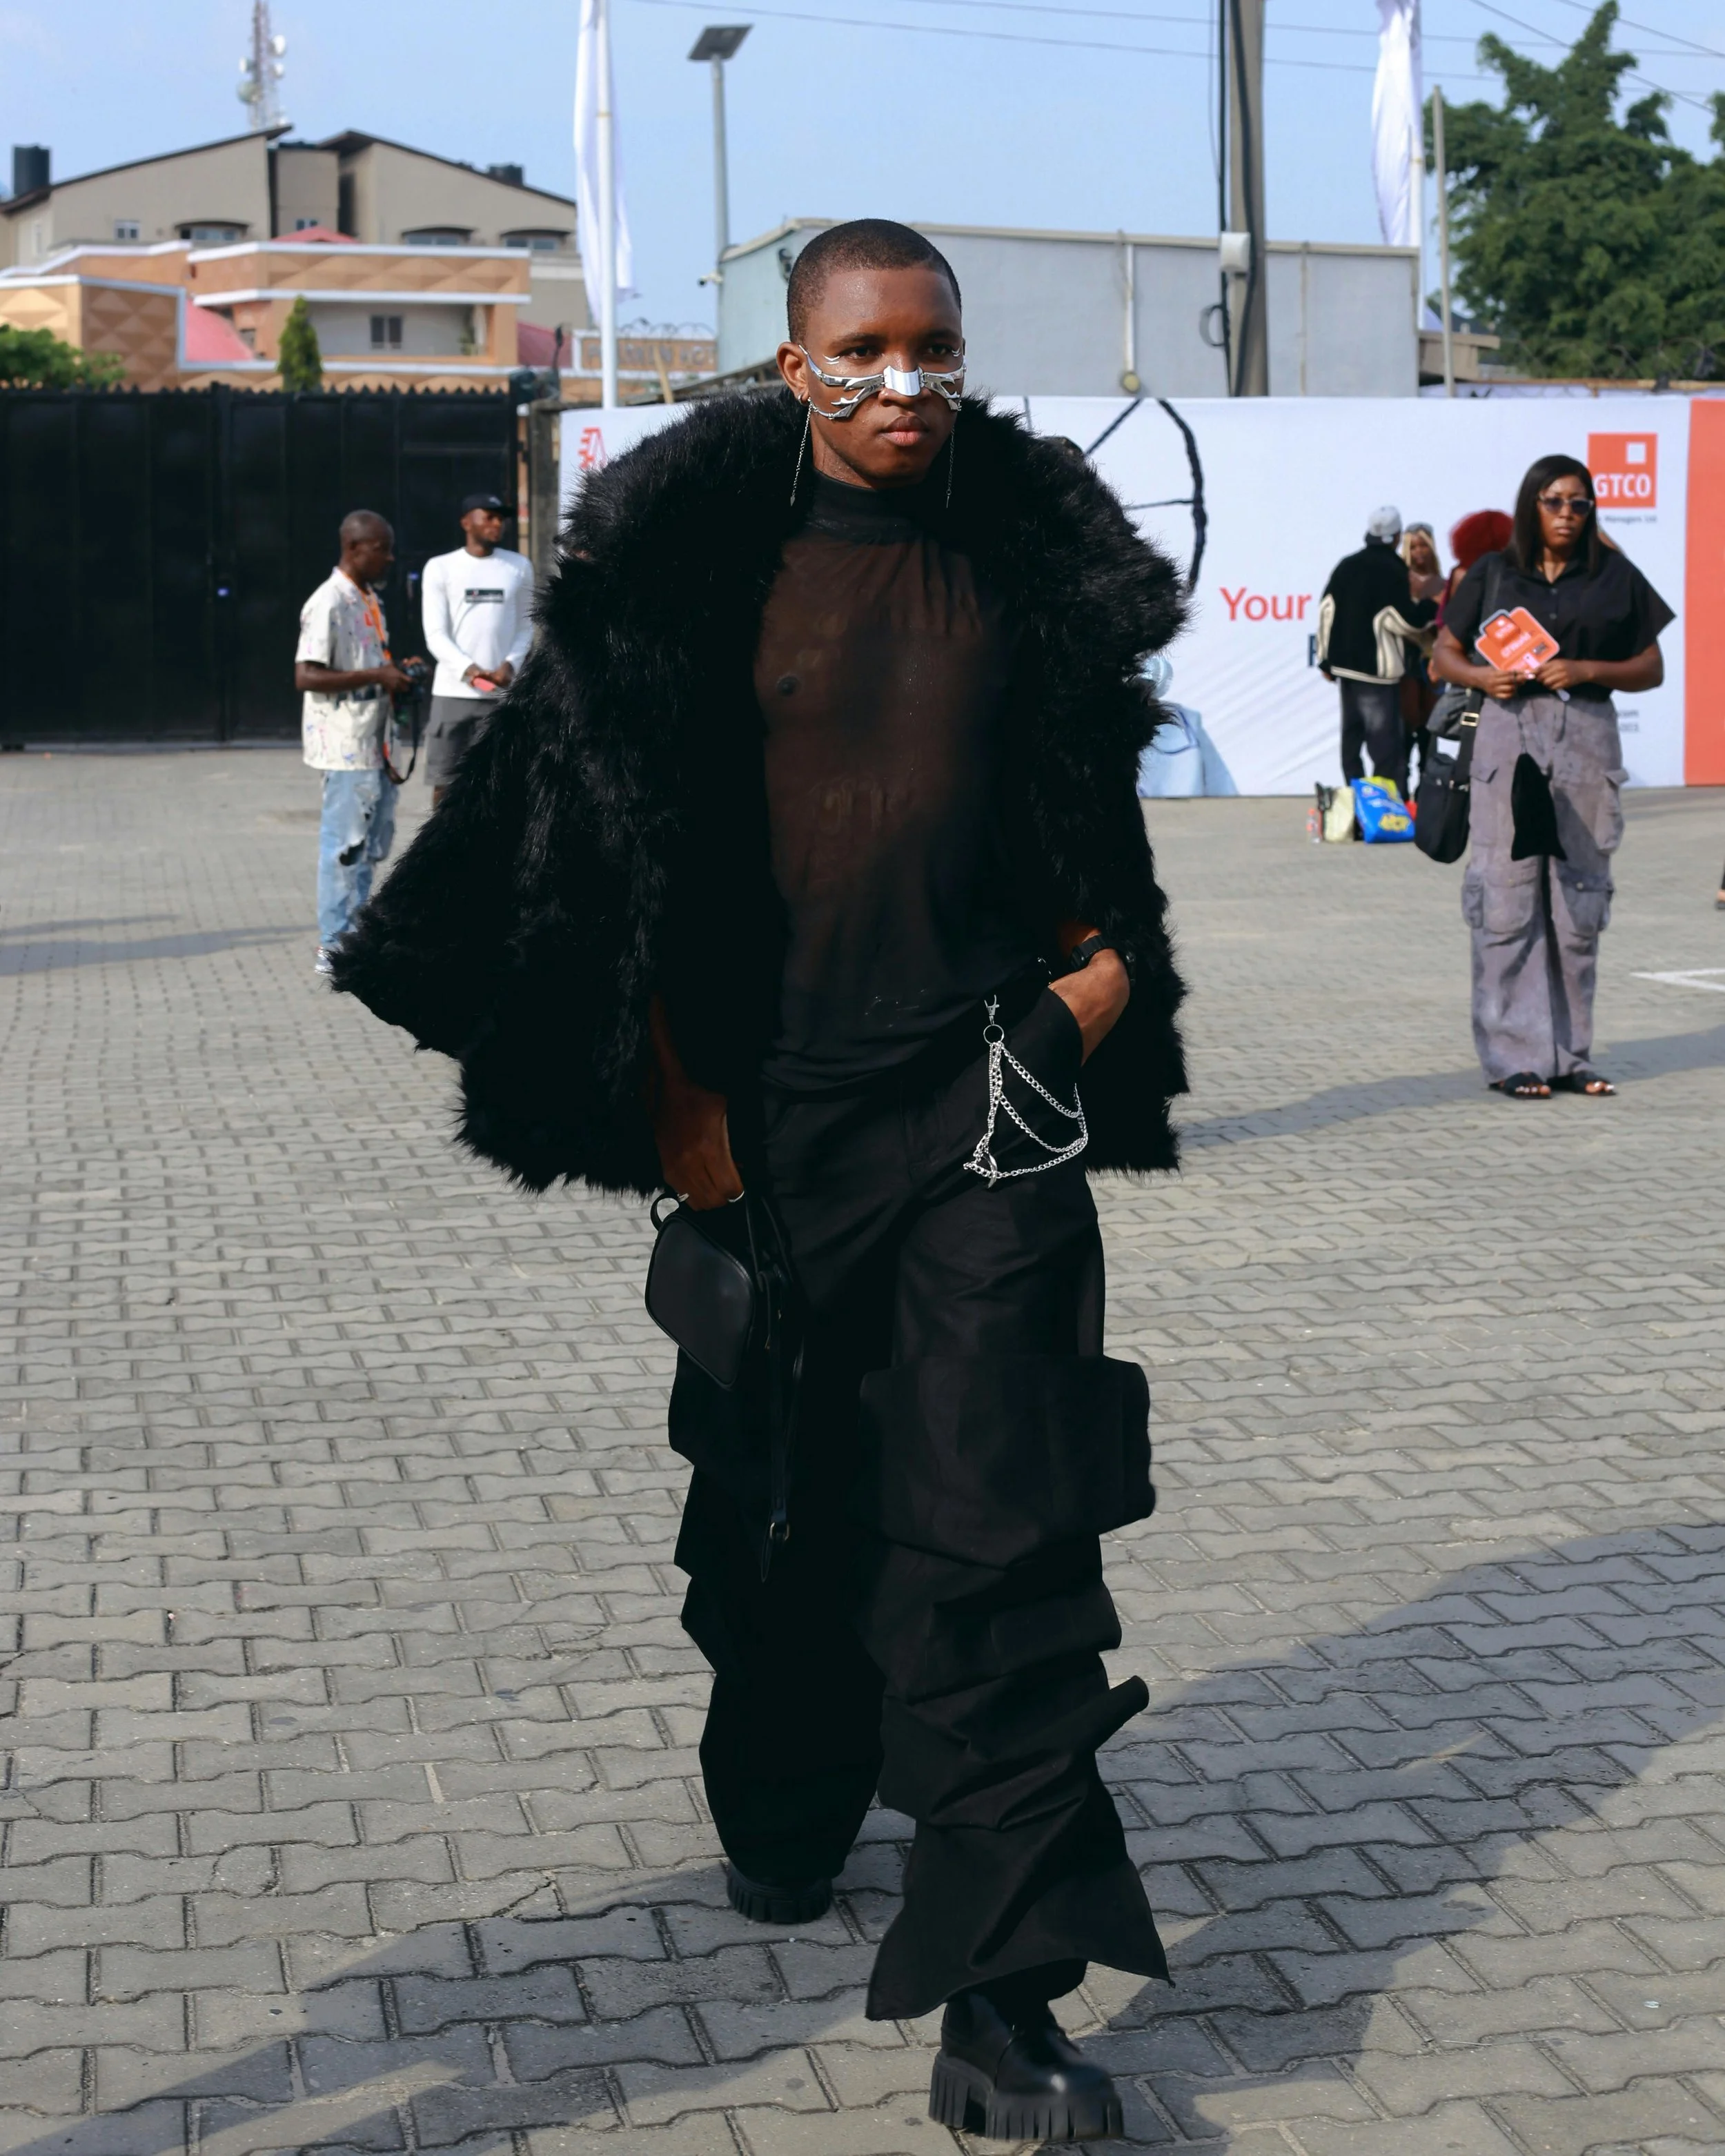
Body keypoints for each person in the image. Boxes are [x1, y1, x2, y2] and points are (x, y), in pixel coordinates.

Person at [331, 218, 1188, 2140]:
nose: (904, 383)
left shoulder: (1023, 562)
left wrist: (1084, 999)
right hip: (766, 1127)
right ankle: (791, 1794)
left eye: (934, 348)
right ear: (794, 365)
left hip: (987, 1117)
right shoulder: (687, 577)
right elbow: (591, 860)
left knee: (1000, 1537)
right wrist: (672, 1104)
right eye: (864, 349)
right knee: (782, 1512)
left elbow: (1093, 859)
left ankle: (1003, 2002)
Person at [1432, 454, 1673, 1100]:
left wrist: (1587, 669)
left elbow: (1651, 666)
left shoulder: (1616, 575)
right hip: (1507, 733)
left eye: (1580, 503)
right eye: (1555, 501)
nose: (1568, 514)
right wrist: (1482, 676)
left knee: (1577, 902)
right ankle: (1513, 1057)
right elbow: (1443, 653)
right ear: (1532, 506)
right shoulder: (1493, 572)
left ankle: (1571, 1056)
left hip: (1587, 738)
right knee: (1505, 898)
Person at [294, 511, 415, 976]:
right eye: (381, 549)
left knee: (369, 847)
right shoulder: (328, 601)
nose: (389, 558)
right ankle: (333, 946)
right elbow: (306, 675)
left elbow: (368, 662)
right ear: (353, 548)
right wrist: (377, 674)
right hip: (346, 747)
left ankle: (355, 939)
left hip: (375, 742)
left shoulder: (368, 598)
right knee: (344, 849)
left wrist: (396, 670)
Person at [420, 492, 534, 806]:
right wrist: (469, 670)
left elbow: (526, 626)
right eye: (489, 517)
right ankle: (444, 838)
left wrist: (510, 665)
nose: (498, 524)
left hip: (501, 695)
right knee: (445, 784)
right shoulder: (441, 568)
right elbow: (435, 633)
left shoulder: (518, 566)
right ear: (466, 522)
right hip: (452, 694)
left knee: (499, 783)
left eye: (501, 518)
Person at [1317, 505, 1436, 798]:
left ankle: (1357, 801)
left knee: (1352, 739)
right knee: (1385, 746)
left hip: (1345, 670)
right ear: (1396, 537)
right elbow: (1404, 620)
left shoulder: (1347, 565)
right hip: (1378, 673)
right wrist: (1431, 608)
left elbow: (1326, 611)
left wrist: (1325, 659)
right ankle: (1385, 806)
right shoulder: (1393, 569)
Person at [1399, 523, 1445, 790]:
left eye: (1423, 545)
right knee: (1406, 727)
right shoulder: (1399, 581)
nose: (1419, 552)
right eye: (1413, 547)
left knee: (1431, 727)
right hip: (1405, 661)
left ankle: (1427, 792)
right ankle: (1402, 793)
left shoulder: (1444, 583)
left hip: (1434, 661)